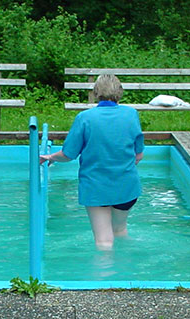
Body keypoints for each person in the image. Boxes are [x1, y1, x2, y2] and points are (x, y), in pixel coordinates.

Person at [40, 74, 144, 250]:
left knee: (104, 241)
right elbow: (138, 155)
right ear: (120, 92)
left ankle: (104, 276)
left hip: (96, 187)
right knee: (120, 231)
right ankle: (127, 273)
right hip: (127, 186)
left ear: (96, 92)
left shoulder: (85, 118)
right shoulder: (131, 114)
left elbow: (68, 155)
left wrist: (50, 157)